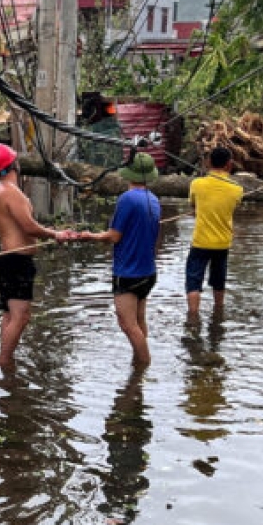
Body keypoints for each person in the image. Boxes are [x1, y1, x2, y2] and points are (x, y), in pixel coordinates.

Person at [0, 143, 68, 368]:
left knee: (10, 315)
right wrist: (55, 234)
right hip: (16, 261)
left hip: (9, 259)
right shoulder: (11, 193)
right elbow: (29, 227)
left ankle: (5, 364)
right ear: (14, 165)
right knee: (21, 316)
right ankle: (5, 362)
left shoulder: (2, 191)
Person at [78, 152, 161, 367]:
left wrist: (90, 236)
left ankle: (143, 367)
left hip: (128, 273)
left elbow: (114, 236)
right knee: (139, 320)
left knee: (127, 324)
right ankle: (139, 361)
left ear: (129, 173)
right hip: (148, 272)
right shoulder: (154, 199)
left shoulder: (127, 199)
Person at [186, 147, 244, 316]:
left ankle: (193, 317)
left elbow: (193, 205)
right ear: (229, 164)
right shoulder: (237, 189)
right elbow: (234, 206)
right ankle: (218, 313)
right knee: (219, 282)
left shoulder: (197, 184)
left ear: (208, 162)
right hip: (222, 243)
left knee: (193, 282)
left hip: (200, 242)